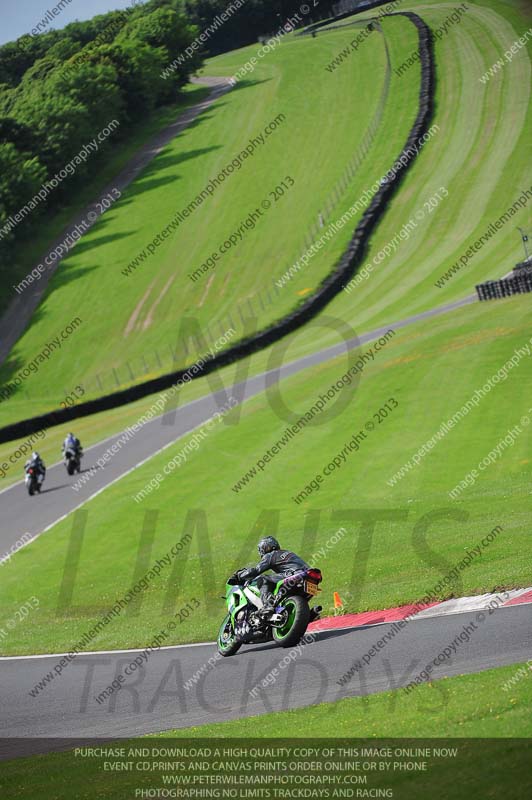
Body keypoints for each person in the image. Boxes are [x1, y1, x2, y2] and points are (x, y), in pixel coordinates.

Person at [238, 536, 309, 618]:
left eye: (263, 548)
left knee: (263, 579)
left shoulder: (270, 555)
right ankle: (310, 613)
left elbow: (257, 570)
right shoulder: (288, 552)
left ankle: (268, 606)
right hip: (307, 575)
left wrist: (240, 575)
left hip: (294, 574)